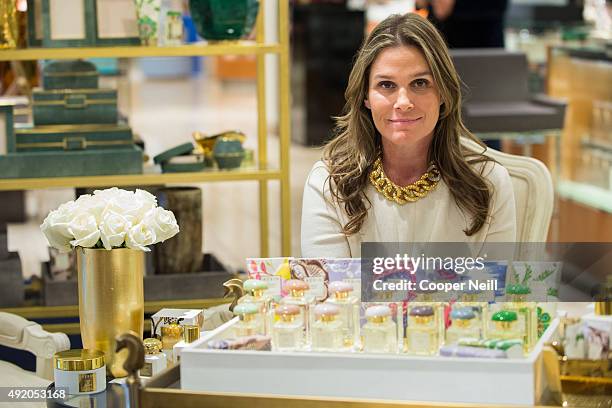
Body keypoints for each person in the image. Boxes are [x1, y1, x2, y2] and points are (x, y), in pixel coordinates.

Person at [300, 13, 516, 258]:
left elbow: (495, 291)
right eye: (386, 85)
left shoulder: (489, 182)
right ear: (366, 96)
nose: (403, 102)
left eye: (420, 83)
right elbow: (329, 292)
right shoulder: (329, 183)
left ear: (444, 93)